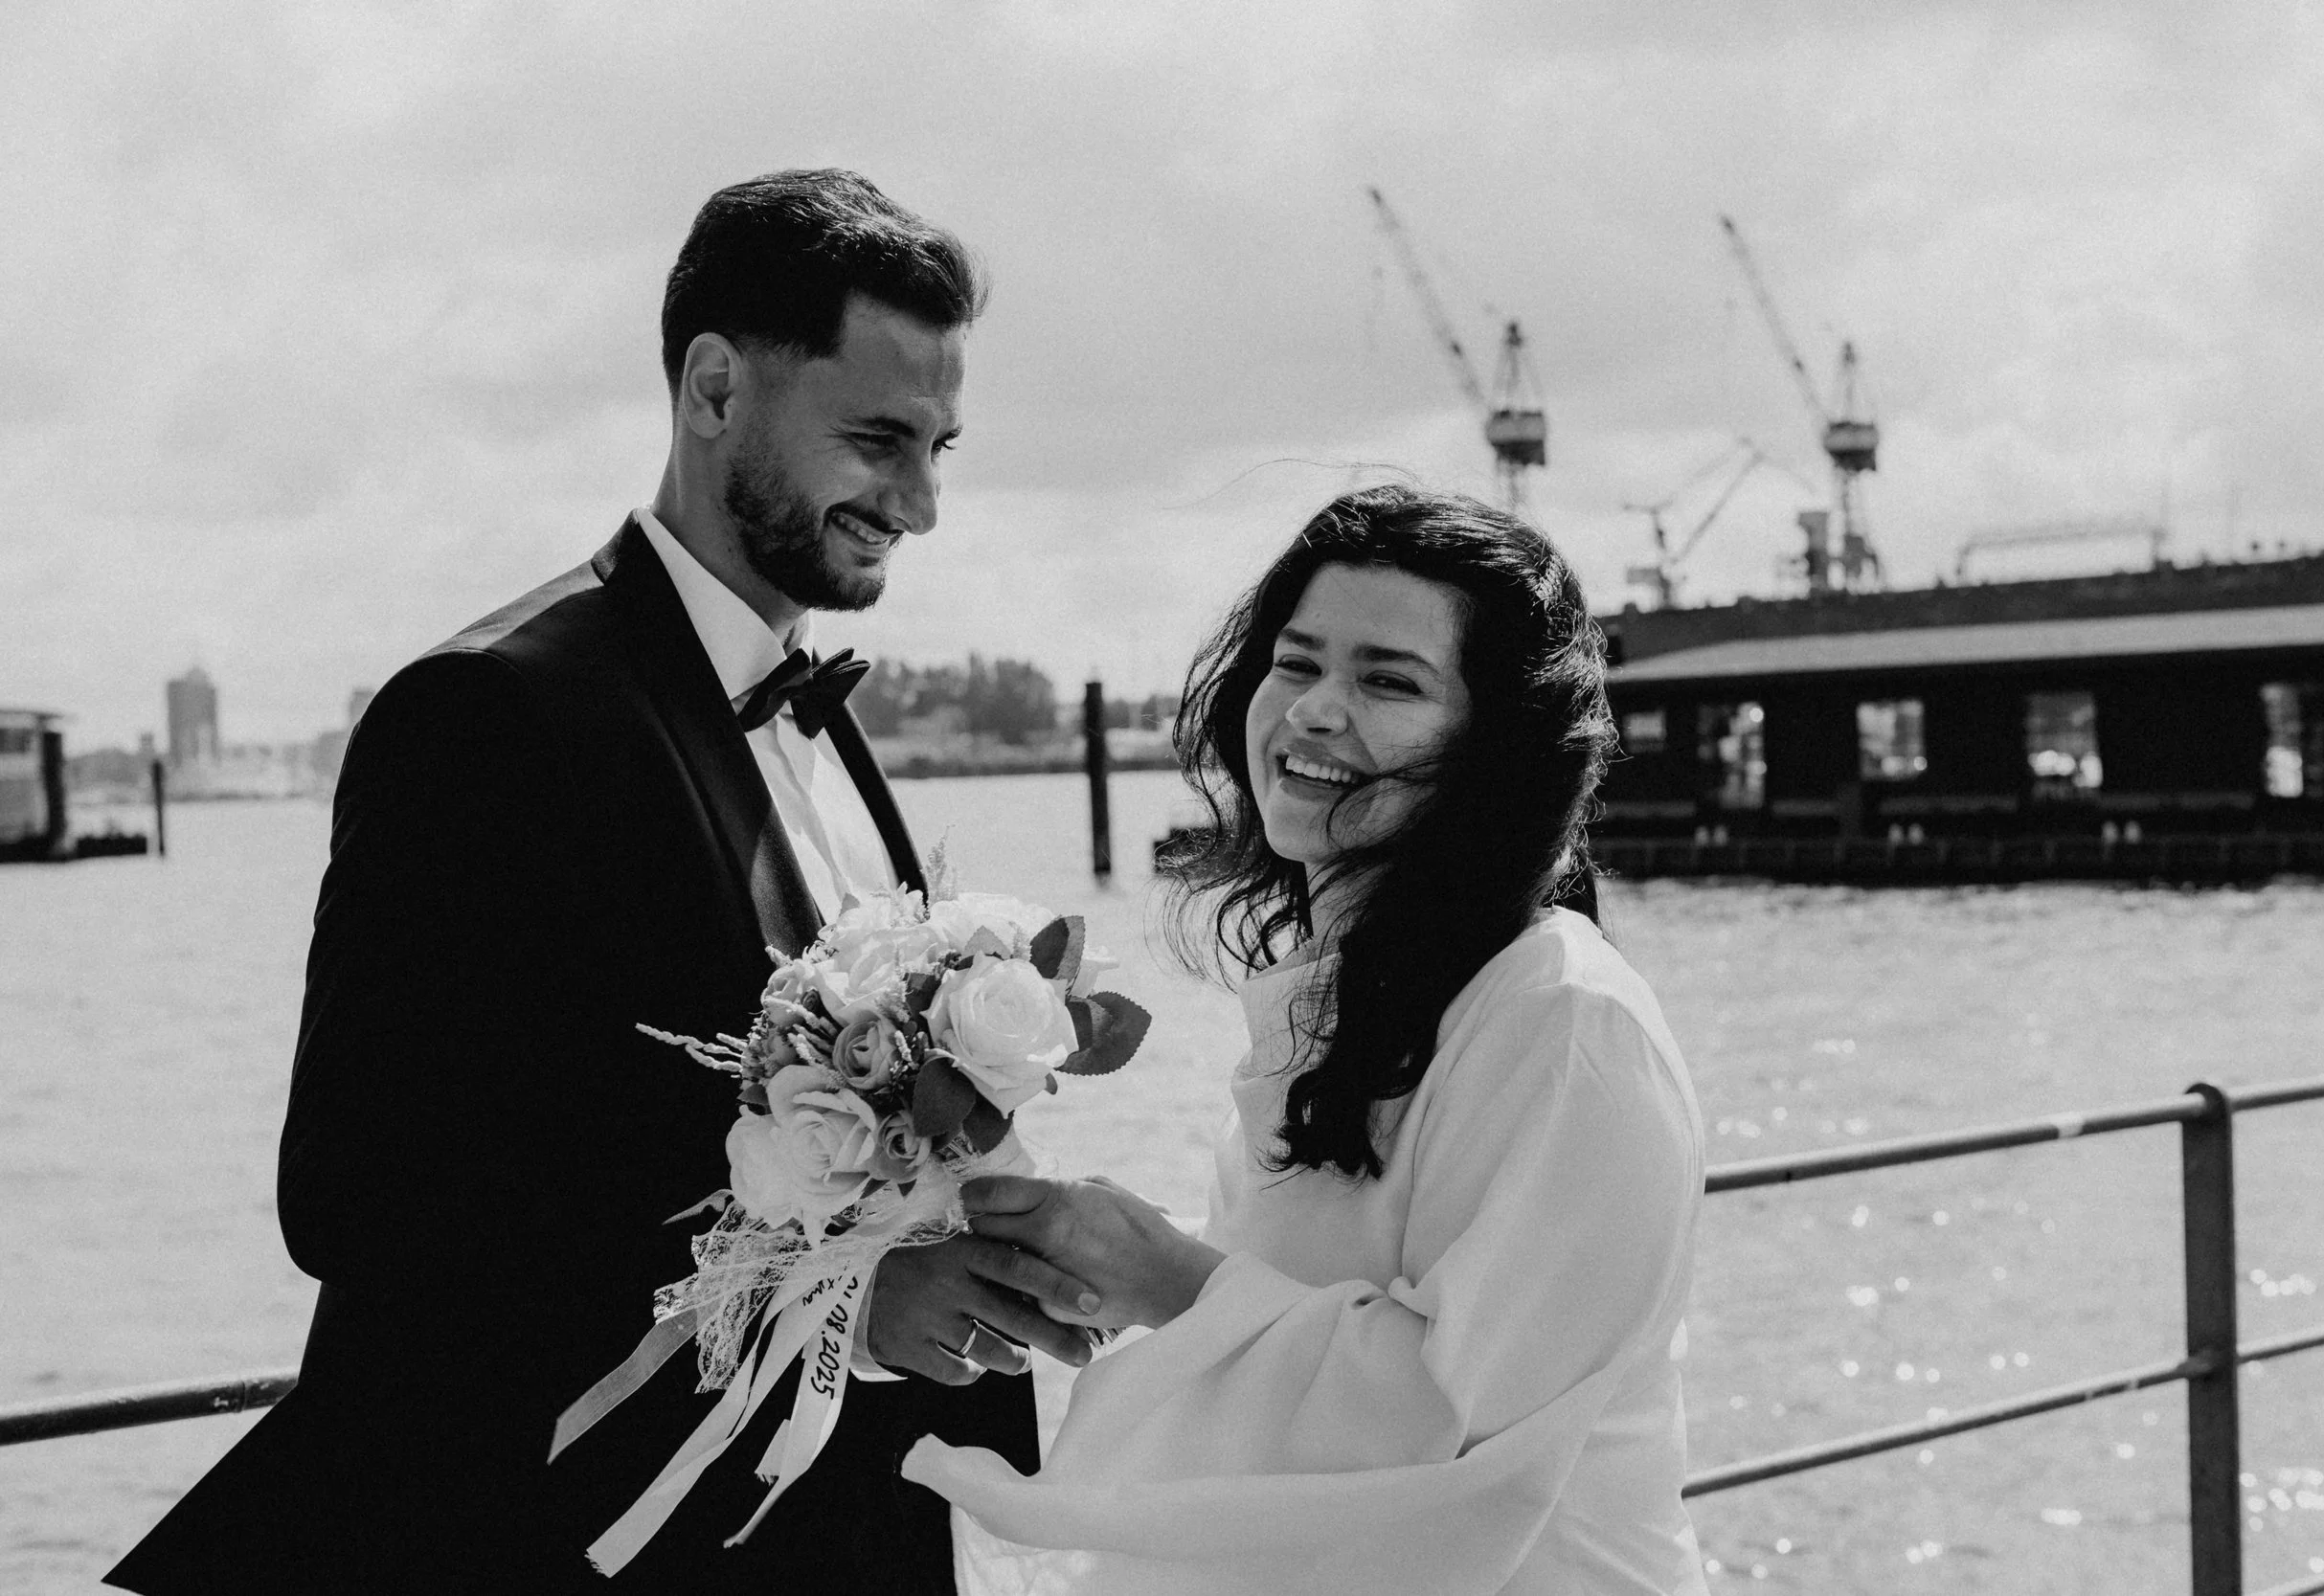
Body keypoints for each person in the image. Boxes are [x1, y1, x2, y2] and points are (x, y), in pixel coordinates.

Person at [107, 169, 1100, 1596]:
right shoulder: (488, 712)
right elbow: (365, 1198)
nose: (923, 502)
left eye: (941, 444)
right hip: (553, 1536)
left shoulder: (814, 715)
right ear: (711, 390)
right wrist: (839, 1305)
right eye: (880, 439)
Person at [904, 485, 1711, 1595]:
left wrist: (1169, 1277)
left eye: (1388, 679)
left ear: (1497, 746)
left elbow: (1450, 1422)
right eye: (1296, 663)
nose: (1314, 712)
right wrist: (1096, 1255)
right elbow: (1343, 1283)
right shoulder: (1342, 990)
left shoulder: (1565, 1024)